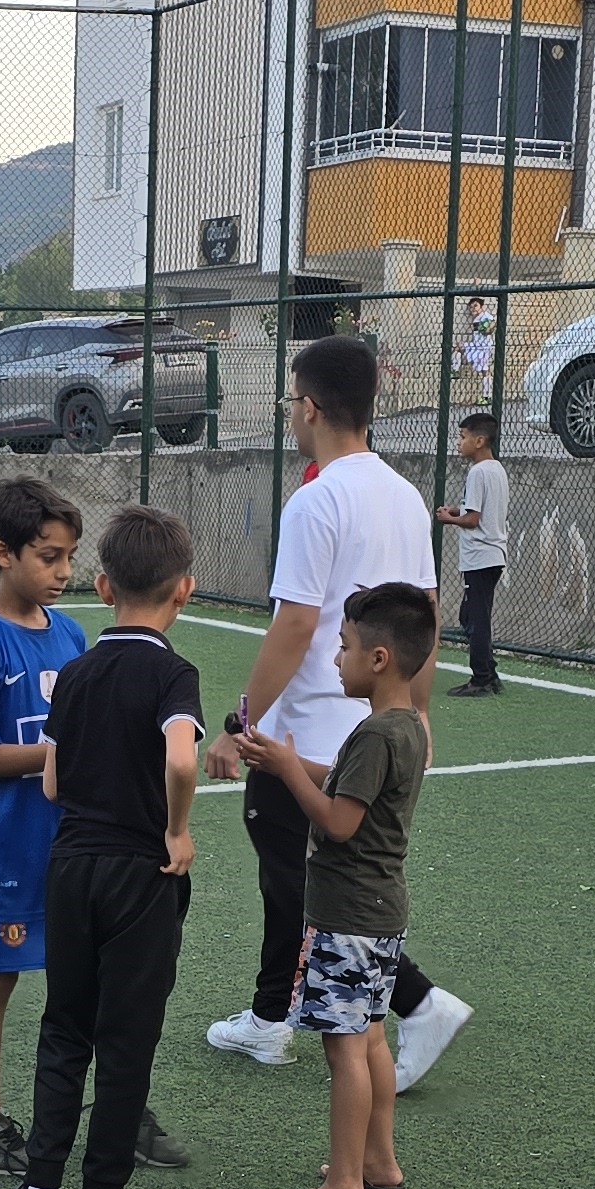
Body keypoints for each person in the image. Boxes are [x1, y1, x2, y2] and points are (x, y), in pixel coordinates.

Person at [198, 334, 476, 1095]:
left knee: (302, 878)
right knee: (293, 874)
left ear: (310, 407)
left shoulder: (316, 498)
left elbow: (295, 625)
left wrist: (241, 722)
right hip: (374, 723)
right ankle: (269, 1016)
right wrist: (418, 718)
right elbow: (422, 617)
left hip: (314, 727)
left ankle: (417, 1001)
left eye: (293, 401)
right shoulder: (403, 493)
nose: (292, 414)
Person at [0, 477, 188, 1177]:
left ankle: (117, 1107)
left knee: (102, 982)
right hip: (3, 849)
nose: (63, 572)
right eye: (48, 557)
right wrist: (62, 749)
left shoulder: (76, 634)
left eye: (70, 557)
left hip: (78, 850)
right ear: (2, 553)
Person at [3, 506, 206, 1189]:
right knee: (127, 1039)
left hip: (70, 869)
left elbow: (52, 783)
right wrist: (176, 829)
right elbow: (181, 758)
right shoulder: (173, 673)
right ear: (184, 589)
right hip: (139, 875)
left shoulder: (79, 671)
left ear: (101, 584)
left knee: (65, 1026)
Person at [242, 582, 436, 1189]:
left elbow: (339, 821)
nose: (335, 660)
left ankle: (346, 1188)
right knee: (371, 1037)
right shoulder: (405, 727)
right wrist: (285, 762)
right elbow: (355, 787)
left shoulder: (376, 733)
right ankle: (378, 1162)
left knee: (343, 1047)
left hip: (348, 913)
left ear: (378, 658)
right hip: (379, 912)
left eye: (345, 647)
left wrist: (291, 773)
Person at [431, 410, 507, 697]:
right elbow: (479, 512)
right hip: (493, 555)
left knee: (475, 620)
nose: (458, 443)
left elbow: (473, 520)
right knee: (472, 617)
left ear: (479, 440)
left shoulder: (477, 472)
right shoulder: (496, 469)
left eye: (462, 437)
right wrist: (457, 510)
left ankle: (482, 679)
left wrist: (448, 519)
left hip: (480, 556)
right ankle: (490, 672)